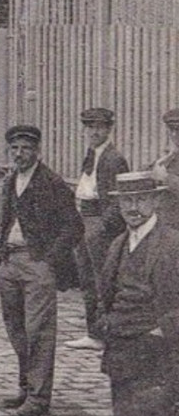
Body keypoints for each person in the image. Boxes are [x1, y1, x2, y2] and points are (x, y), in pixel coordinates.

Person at [95, 172, 179, 416]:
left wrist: (164, 329)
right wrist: (104, 325)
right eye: (126, 201)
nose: (133, 207)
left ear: (156, 201)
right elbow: (103, 294)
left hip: (159, 360)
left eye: (142, 199)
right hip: (123, 357)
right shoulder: (117, 244)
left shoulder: (172, 244)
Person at [0, 123, 83, 416]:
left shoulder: (51, 182)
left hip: (37, 265)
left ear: (37, 151)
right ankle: (25, 387)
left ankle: (39, 396)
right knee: (15, 328)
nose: (20, 154)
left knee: (39, 331)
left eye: (26, 149)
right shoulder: (9, 181)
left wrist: (47, 259)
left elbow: (74, 226)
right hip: (10, 262)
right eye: (15, 149)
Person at [67, 107, 129, 352]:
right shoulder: (92, 154)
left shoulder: (114, 158)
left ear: (109, 129)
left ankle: (106, 333)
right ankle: (94, 332)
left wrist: (103, 228)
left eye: (99, 127)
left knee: (102, 279)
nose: (94, 132)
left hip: (100, 223)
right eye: (90, 127)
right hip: (85, 217)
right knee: (86, 278)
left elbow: (117, 198)